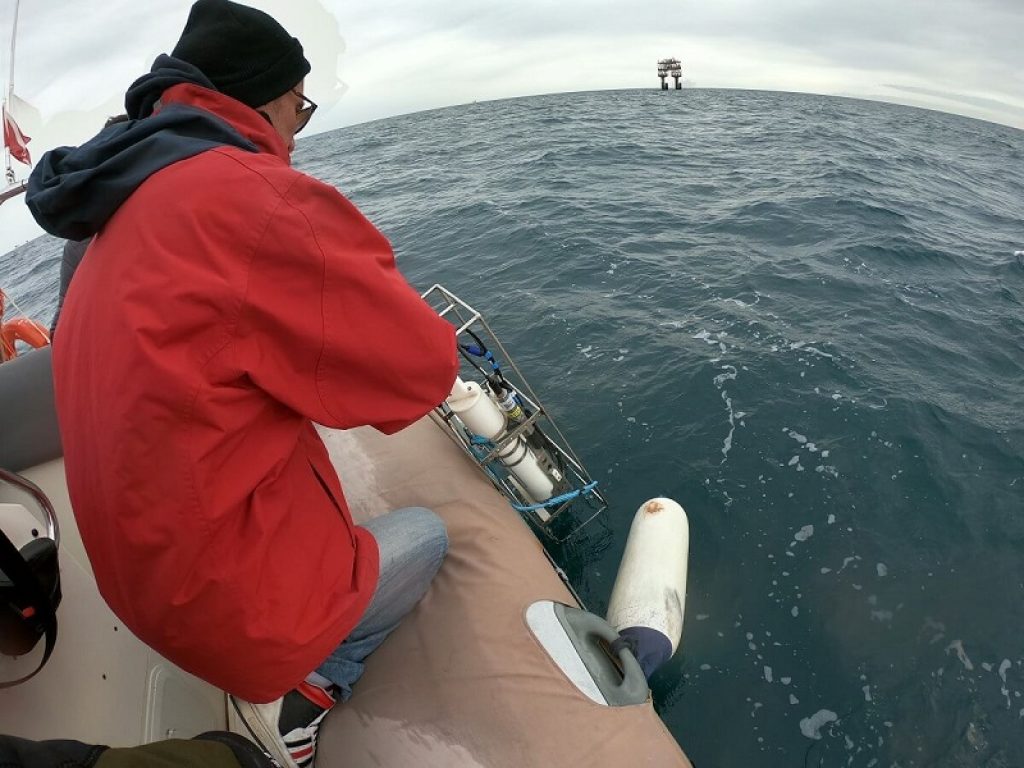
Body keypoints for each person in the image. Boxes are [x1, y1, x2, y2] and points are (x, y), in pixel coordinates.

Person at [25, 2, 458, 767]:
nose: (299, 129)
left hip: (137, 592)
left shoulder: (104, 208)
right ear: (262, 100)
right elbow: (422, 370)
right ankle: (311, 694)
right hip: (229, 620)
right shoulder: (251, 194)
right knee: (427, 536)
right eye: (300, 107)